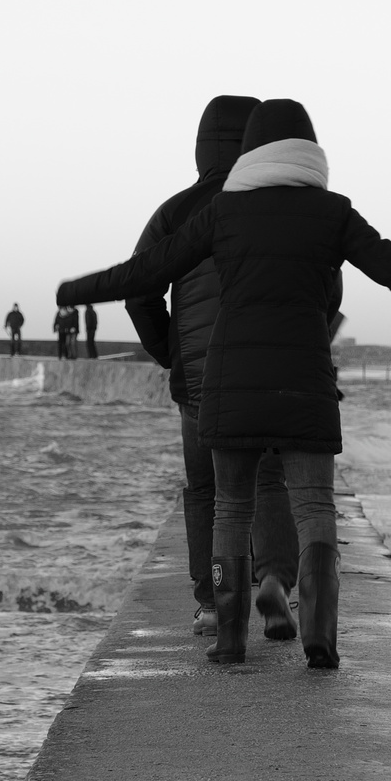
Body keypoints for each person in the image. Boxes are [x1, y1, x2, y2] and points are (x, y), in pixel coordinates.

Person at [60, 99, 391, 668]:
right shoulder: (332, 213)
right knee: (313, 505)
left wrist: (76, 293)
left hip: (227, 380)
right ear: (310, 151)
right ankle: (317, 629)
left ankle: (228, 635)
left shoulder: (220, 213)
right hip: (303, 383)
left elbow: (144, 275)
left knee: (226, 504)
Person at [123, 94, 301, 643]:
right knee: (269, 479)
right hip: (269, 372)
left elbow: (139, 292)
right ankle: (274, 581)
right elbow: (321, 290)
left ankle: (211, 602)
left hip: (199, 380)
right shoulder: (283, 205)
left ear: (201, 147)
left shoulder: (176, 211)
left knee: (206, 490)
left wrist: (172, 354)